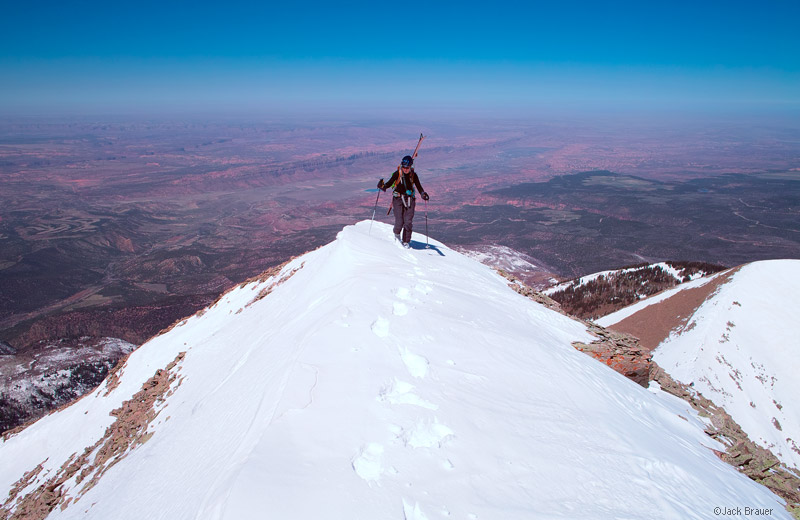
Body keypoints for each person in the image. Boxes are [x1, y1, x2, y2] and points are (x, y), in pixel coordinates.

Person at [377, 155, 429, 247]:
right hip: (398, 199)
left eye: (407, 167)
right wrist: (383, 186)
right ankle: (397, 237)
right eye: (404, 167)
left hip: (410, 199)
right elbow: (389, 183)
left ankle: (406, 242)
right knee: (399, 221)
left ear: (411, 167)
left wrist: (422, 194)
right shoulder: (397, 174)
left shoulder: (413, 175)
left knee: (408, 221)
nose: (405, 169)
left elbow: (418, 186)